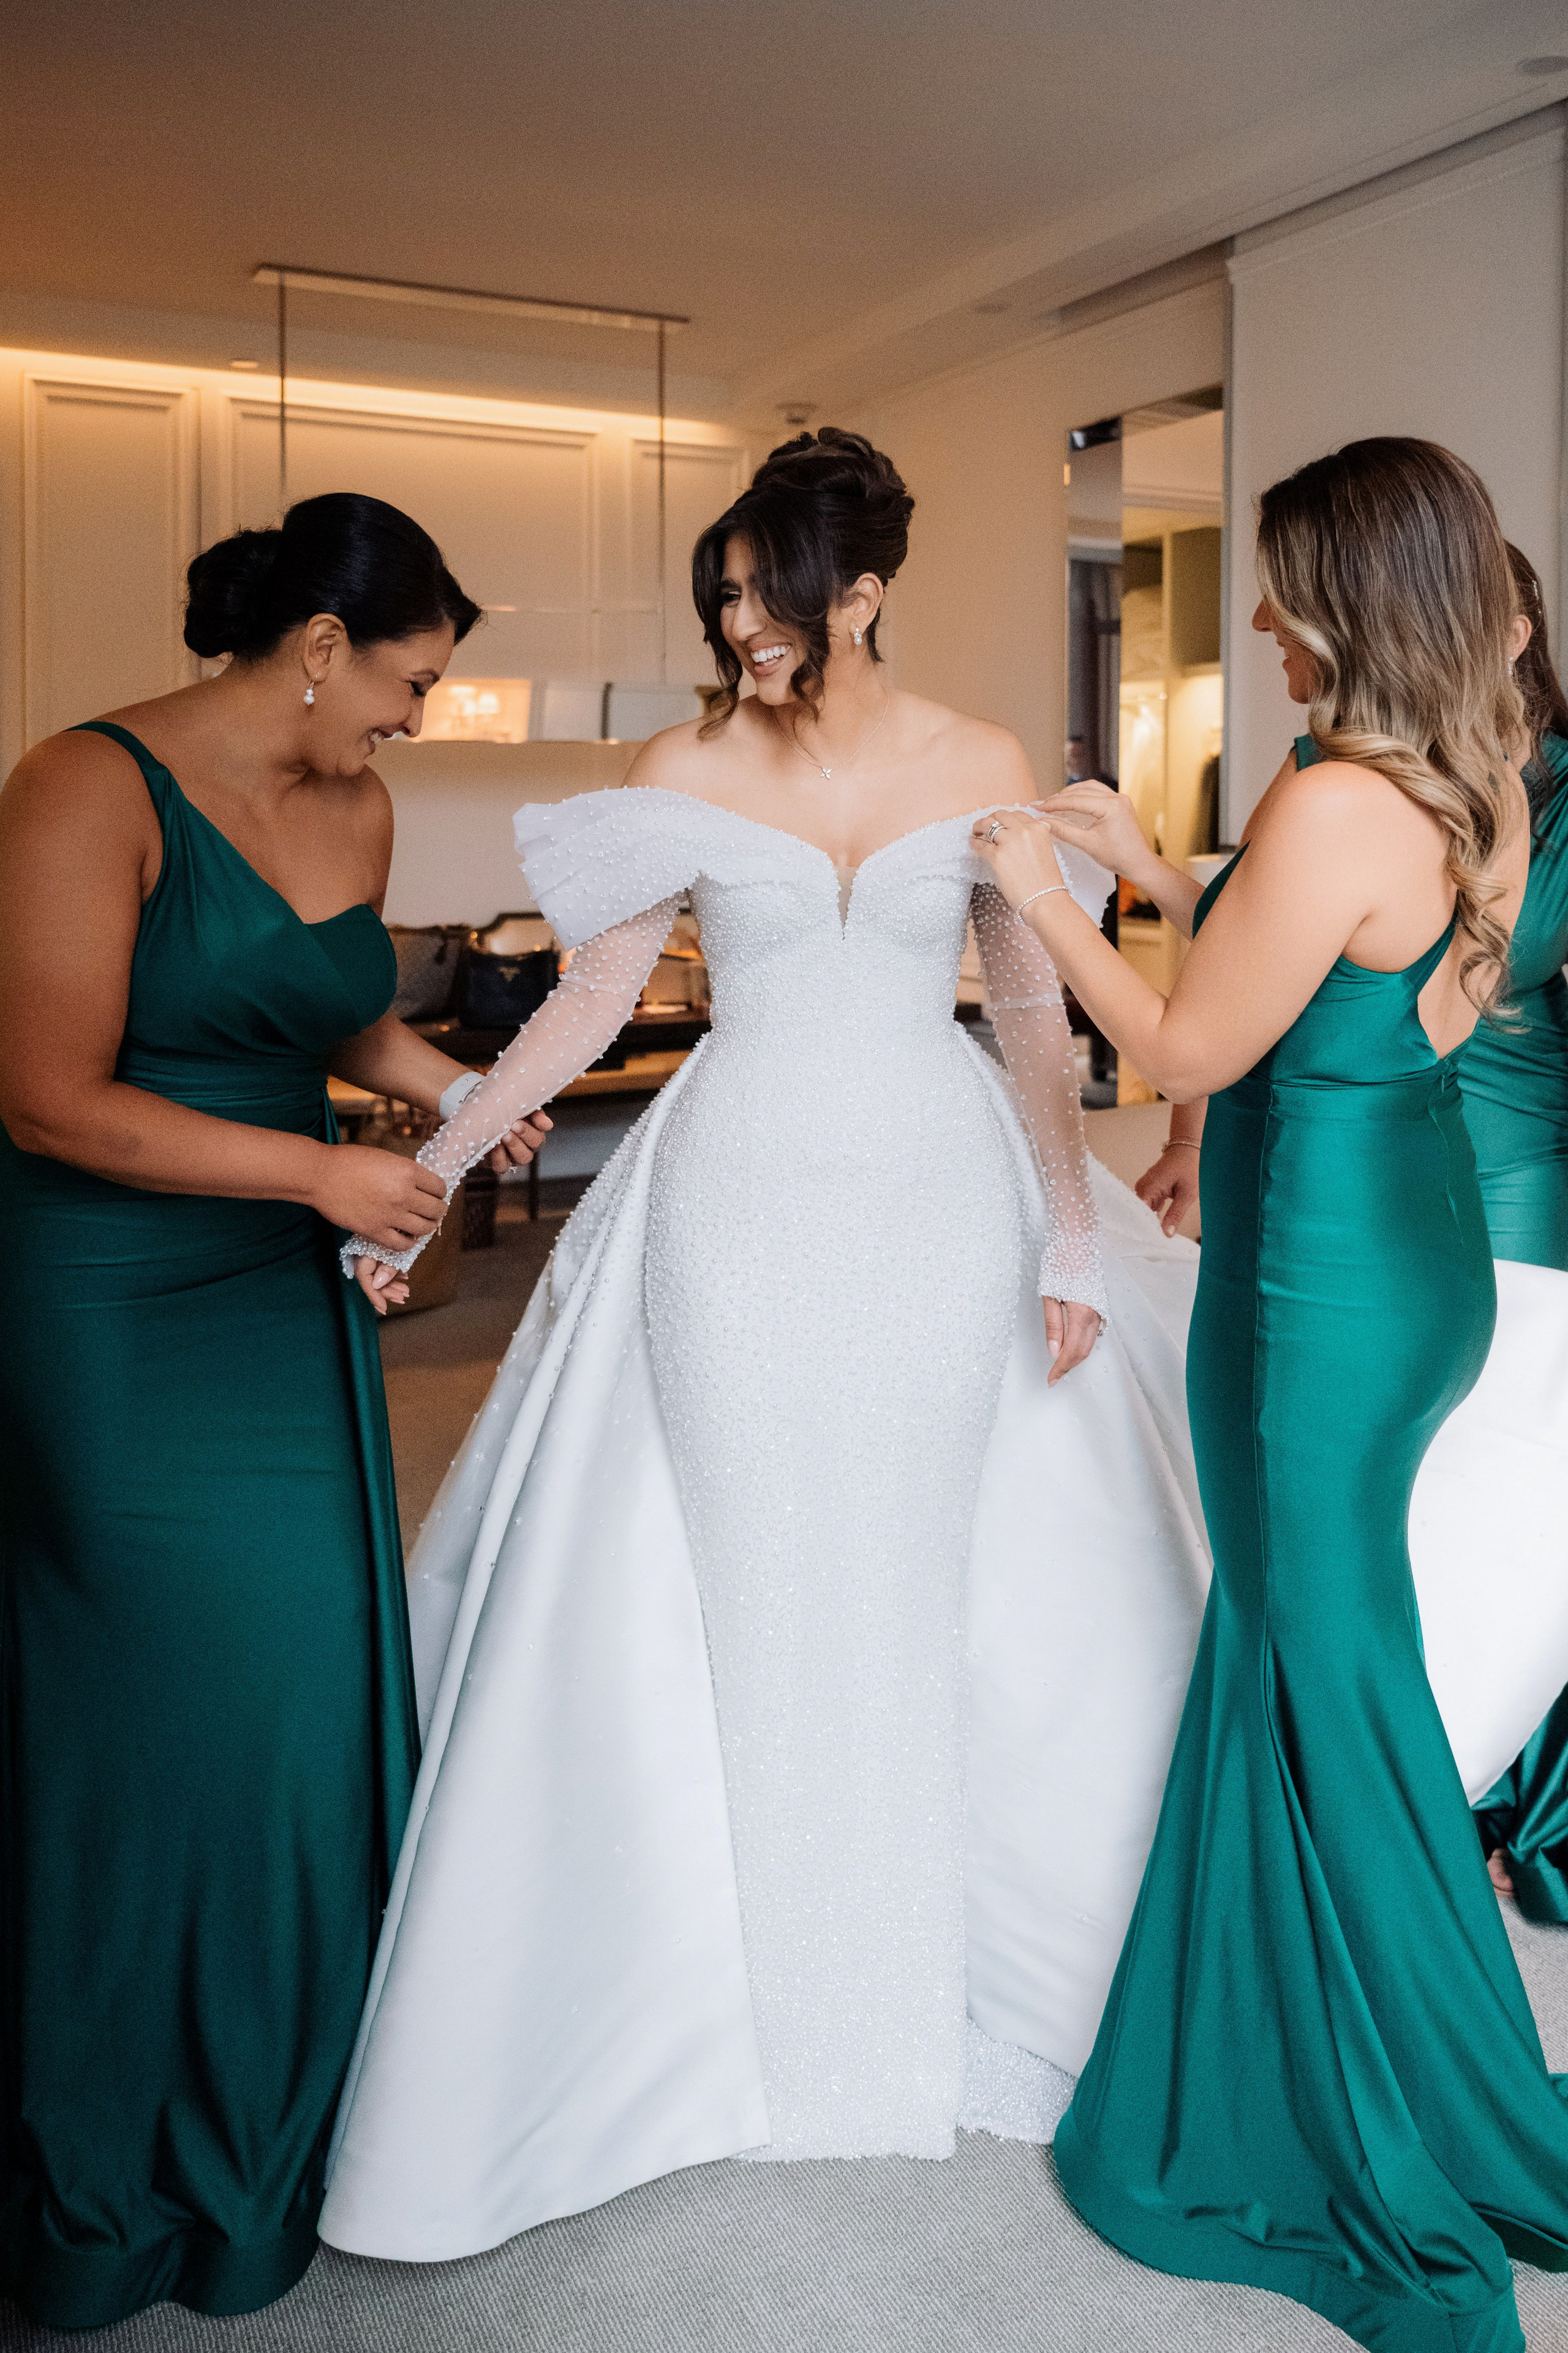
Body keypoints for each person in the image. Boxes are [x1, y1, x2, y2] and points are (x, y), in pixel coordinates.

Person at [315, 429, 1210, 2264]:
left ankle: (923, 1988)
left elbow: (1037, 1019)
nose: (736, 629)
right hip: (735, 1198)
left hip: (933, 1196)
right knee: (749, 1559)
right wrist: (448, 1153)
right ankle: (739, 2010)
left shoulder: (976, 763)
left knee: (917, 1569)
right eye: (719, 598)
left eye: (763, 597)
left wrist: (1062, 1229)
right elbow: (587, 997)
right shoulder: (681, 763)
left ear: (860, 591)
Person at [973, 436, 1568, 2353]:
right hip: (1408, 1260)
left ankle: (1428, 2105)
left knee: (1335, 1678)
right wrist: (1161, 865)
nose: (1254, 611)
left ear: (1347, 588)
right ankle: (1342, 2027)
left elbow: (1184, 1036)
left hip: (1312, 1294)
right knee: (1311, 1654)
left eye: (1278, 573)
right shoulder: (1468, 780)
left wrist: (1036, 887)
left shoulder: (1330, 797)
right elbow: (1332, 985)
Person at [0, 492, 544, 2328]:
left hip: (272, 1303)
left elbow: (327, 1018)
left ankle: (273, 2131)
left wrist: (457, 1081)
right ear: (319, 641)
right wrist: (320, 1180)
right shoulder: (81, 787)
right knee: (157, 1717)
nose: (418, 715)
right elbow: (50, 1100)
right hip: (109, 1294)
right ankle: (107, 2153)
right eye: (410, 678)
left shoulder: (358, 806)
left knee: (312, 1690)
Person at [1133, 543, 1568, 1875]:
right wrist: (1189, 1134)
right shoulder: (1347, 768)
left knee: (1476, 1535)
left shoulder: (1517, 792)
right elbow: (1257, 947)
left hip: (1499, 1190)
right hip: (1346, 1174)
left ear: (1514, 630)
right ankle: (1351, 1836)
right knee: (1359, 1554)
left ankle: (1412, 1825)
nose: (1267, 620)